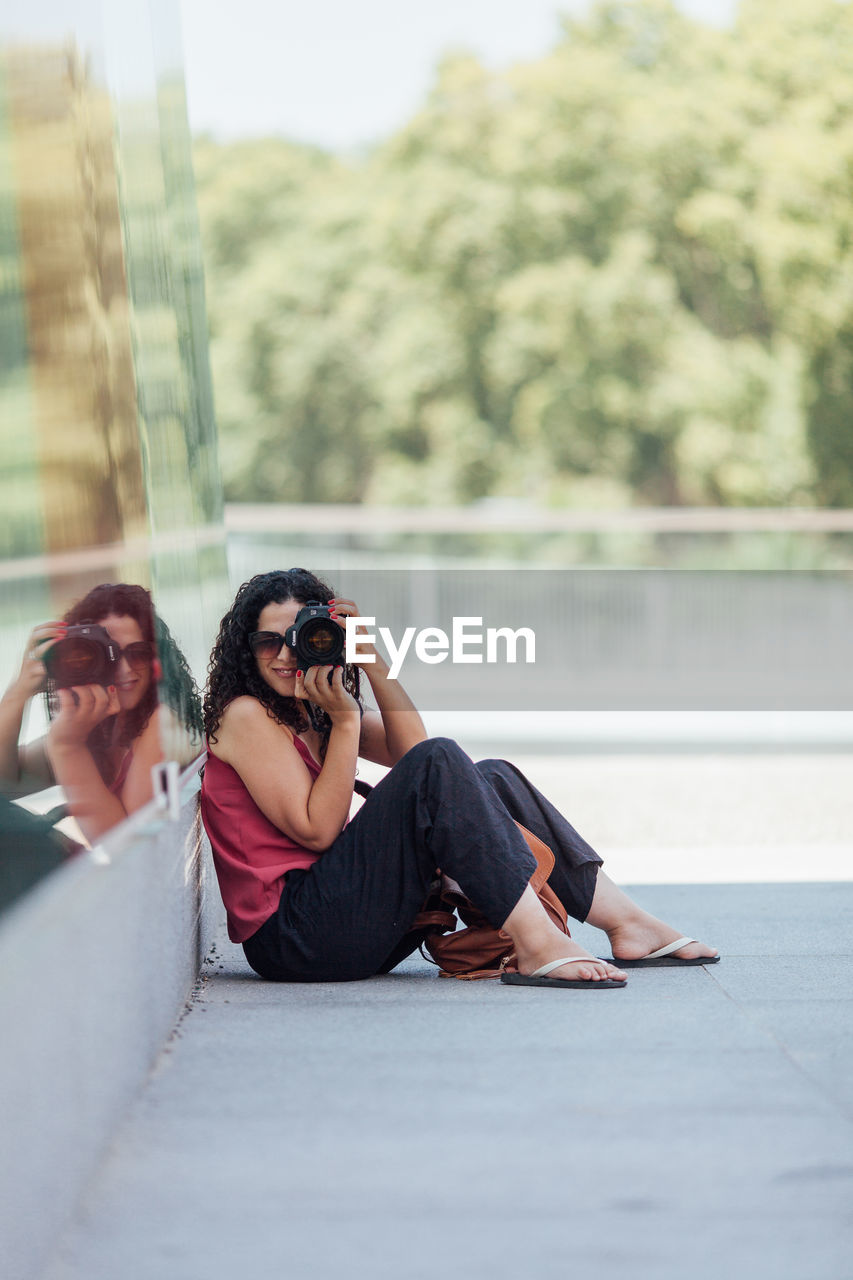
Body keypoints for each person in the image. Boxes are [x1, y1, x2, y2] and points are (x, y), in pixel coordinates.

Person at [200, 568, 718, 988]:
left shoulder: (316, 709)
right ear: (248, 649)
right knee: (443, 761)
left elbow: (413, 750)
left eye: (301, 638)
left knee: (490, 775)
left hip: (349, 921)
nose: (288, 656)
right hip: (297, 940)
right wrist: (347, 722)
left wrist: (372, 662)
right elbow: (317, 831)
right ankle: (536, 942)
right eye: (270, 643)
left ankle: (626, 922)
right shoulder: (247, 714)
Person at [0, 582, 202, 846]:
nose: (126, 669)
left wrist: (67, 746)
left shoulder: (162, 721)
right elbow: (6, 784)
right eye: (110, 655)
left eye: (138, 654)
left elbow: (130, 849)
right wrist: (19, 692)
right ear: (75, 659)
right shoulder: (97, 728)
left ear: (157, 660)